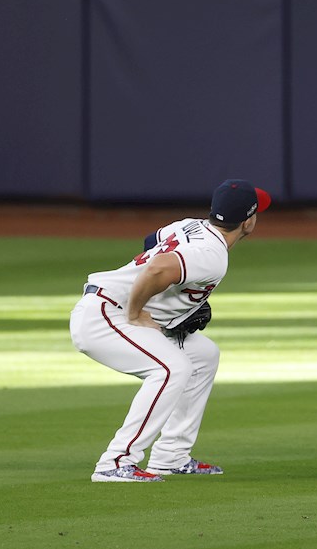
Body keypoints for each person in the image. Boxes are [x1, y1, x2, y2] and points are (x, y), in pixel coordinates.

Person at [69, 179, 271, 482]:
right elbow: (156, 268)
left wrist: (175, 304)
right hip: (105, 316)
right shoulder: (212, 256)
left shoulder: (192, 225)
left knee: (203, 355)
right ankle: (115, 462)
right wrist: (135, 311)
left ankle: (170, 457)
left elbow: (152, 242)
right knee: (171, 369)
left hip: (110, 307)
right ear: (248, 221)